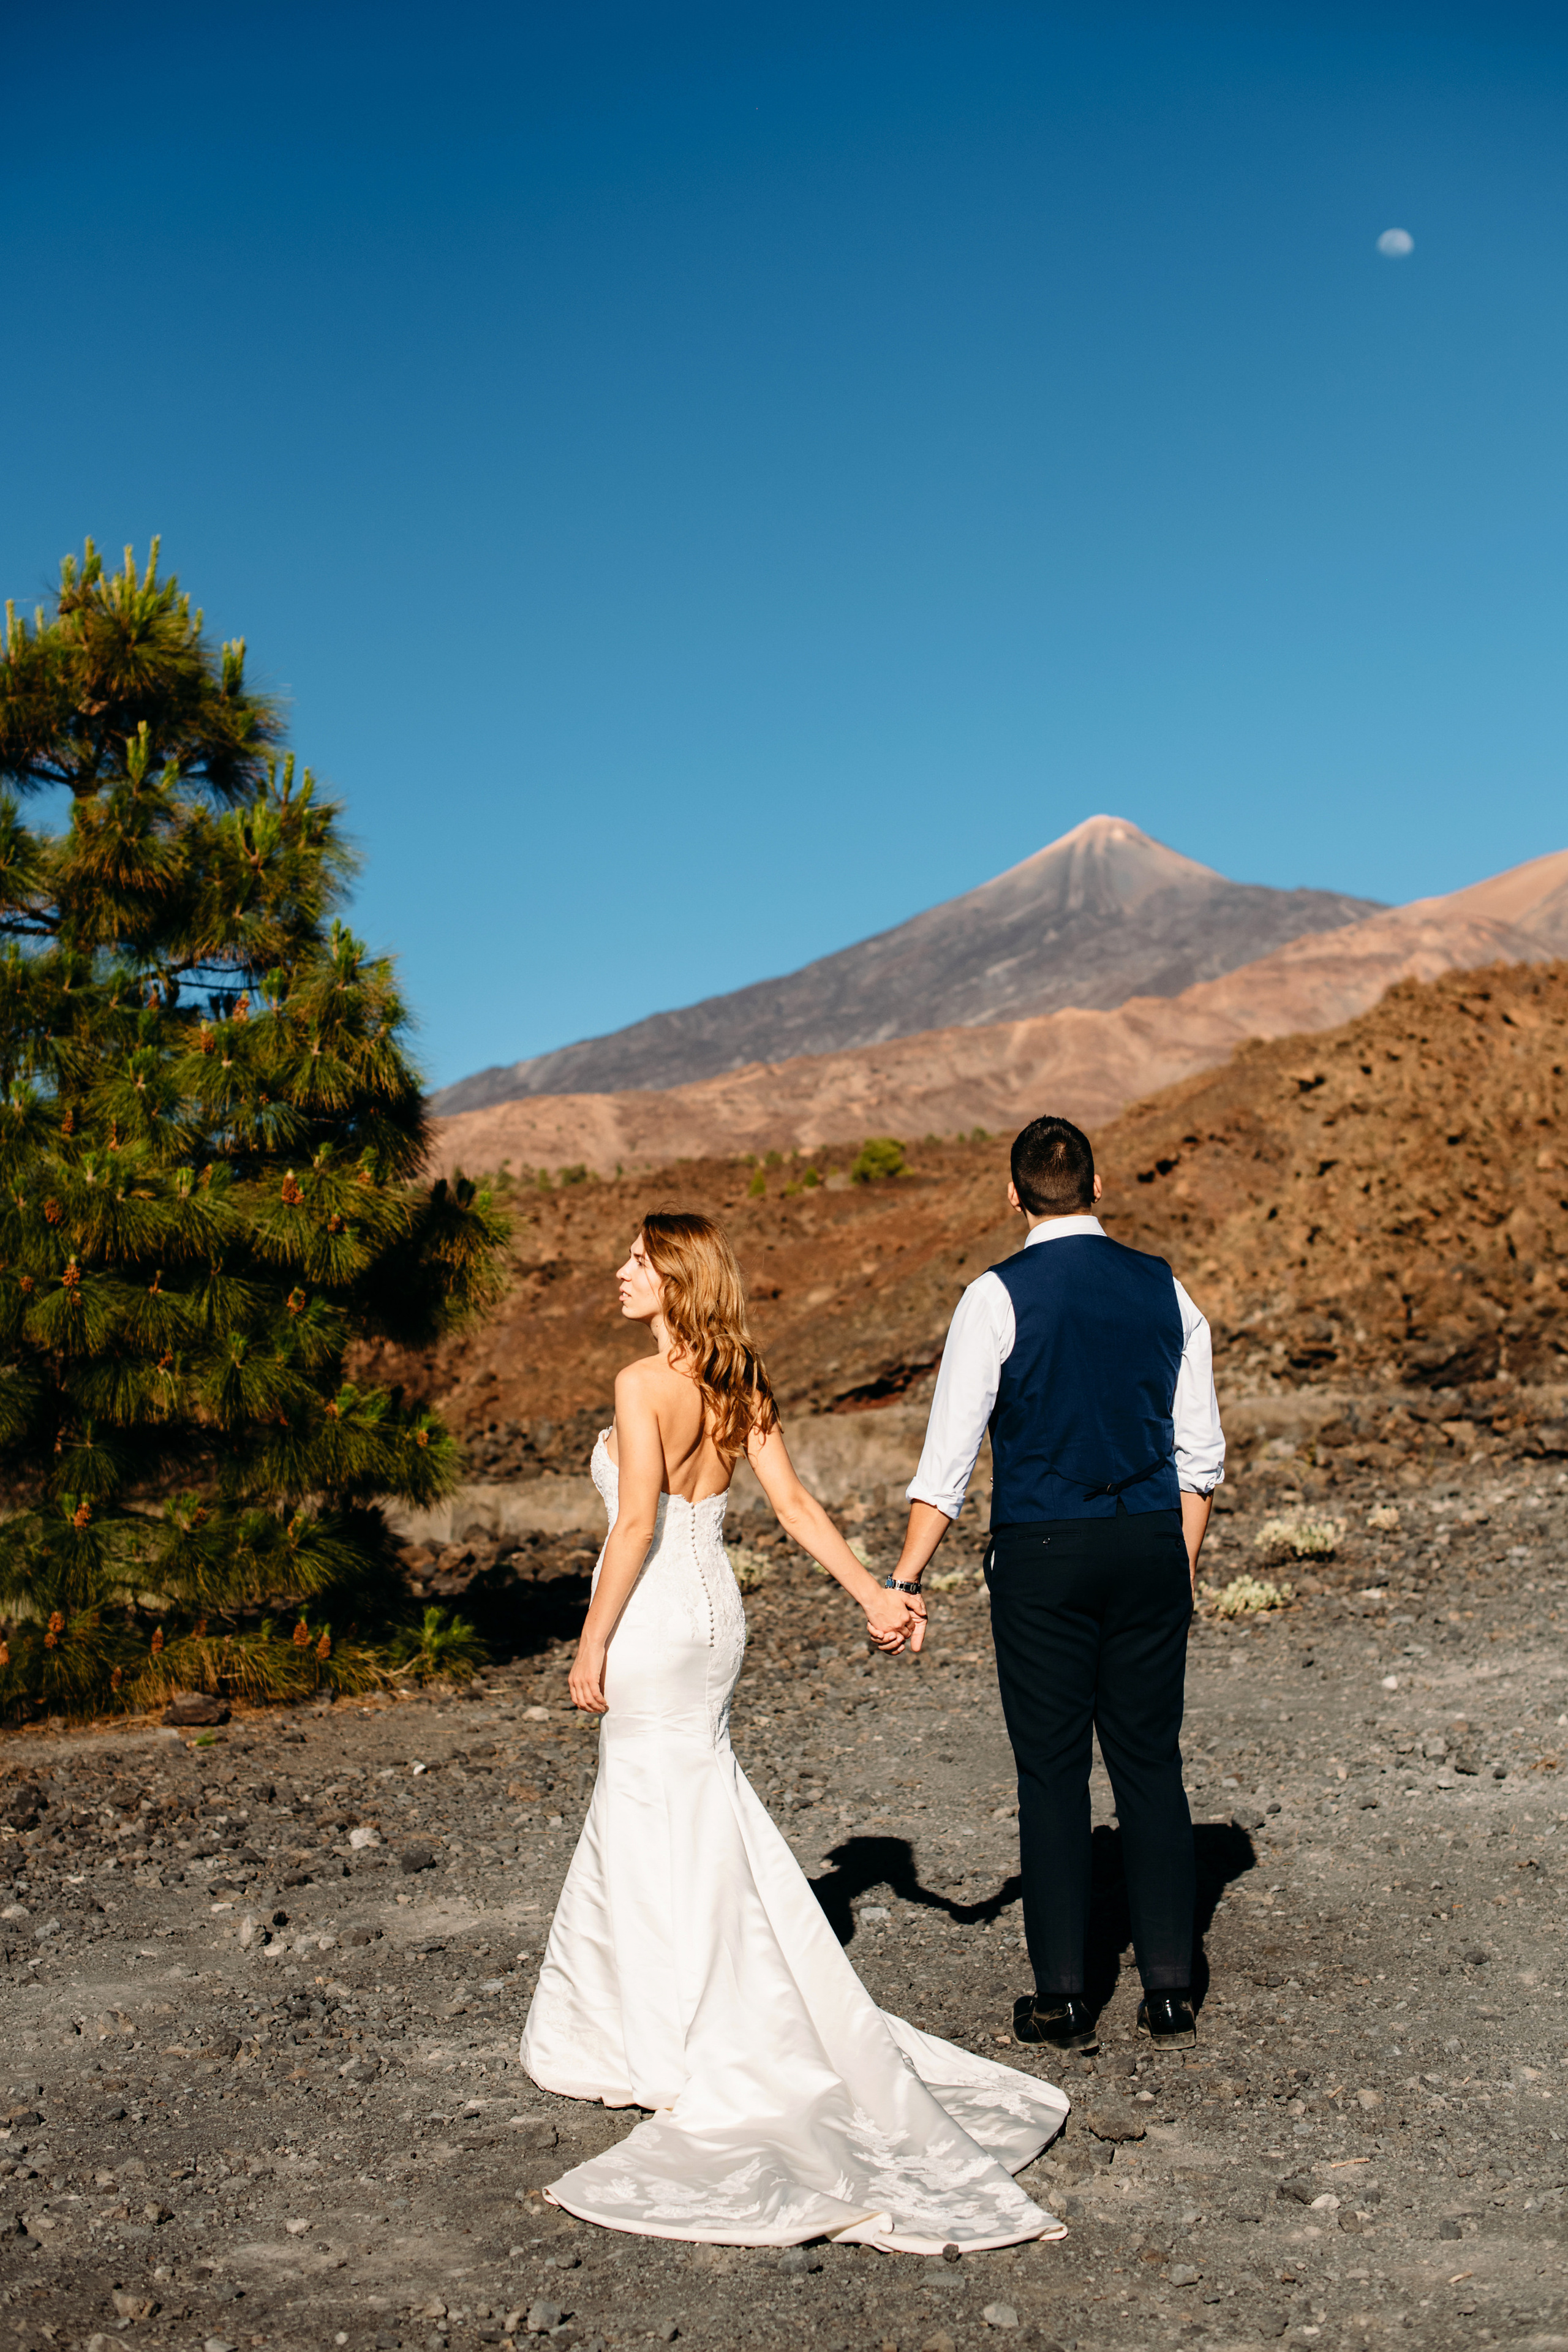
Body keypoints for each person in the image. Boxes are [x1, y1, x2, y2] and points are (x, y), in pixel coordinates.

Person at [520, 1209, 1068, 2252]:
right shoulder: (740, 1383)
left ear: (676, 1278)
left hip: (650, 1620)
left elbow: (634, 1524)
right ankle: (677, 2017)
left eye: (638, 1262)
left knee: (647, 1813)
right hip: (718, 1621)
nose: (619, 1273)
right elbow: (798, 1507)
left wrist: (590, 1644)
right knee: (696, 1806)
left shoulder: (645, 1387)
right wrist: (871, 1590)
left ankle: (662, 2038)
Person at [889, 1115, 1224, 2054]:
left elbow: (947, 1463)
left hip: (1041, 1552)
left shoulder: (994, 1297)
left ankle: (1065, 1999)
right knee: (1151, 1765)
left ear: (1014, 1195)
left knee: (1052, 1773)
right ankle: (1169, 1991)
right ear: (1099, 1185)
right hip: (1152, 1541)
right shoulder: (1167, 1287)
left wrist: (906, 1576)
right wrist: (1180, 1562)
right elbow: (1201, 1457)